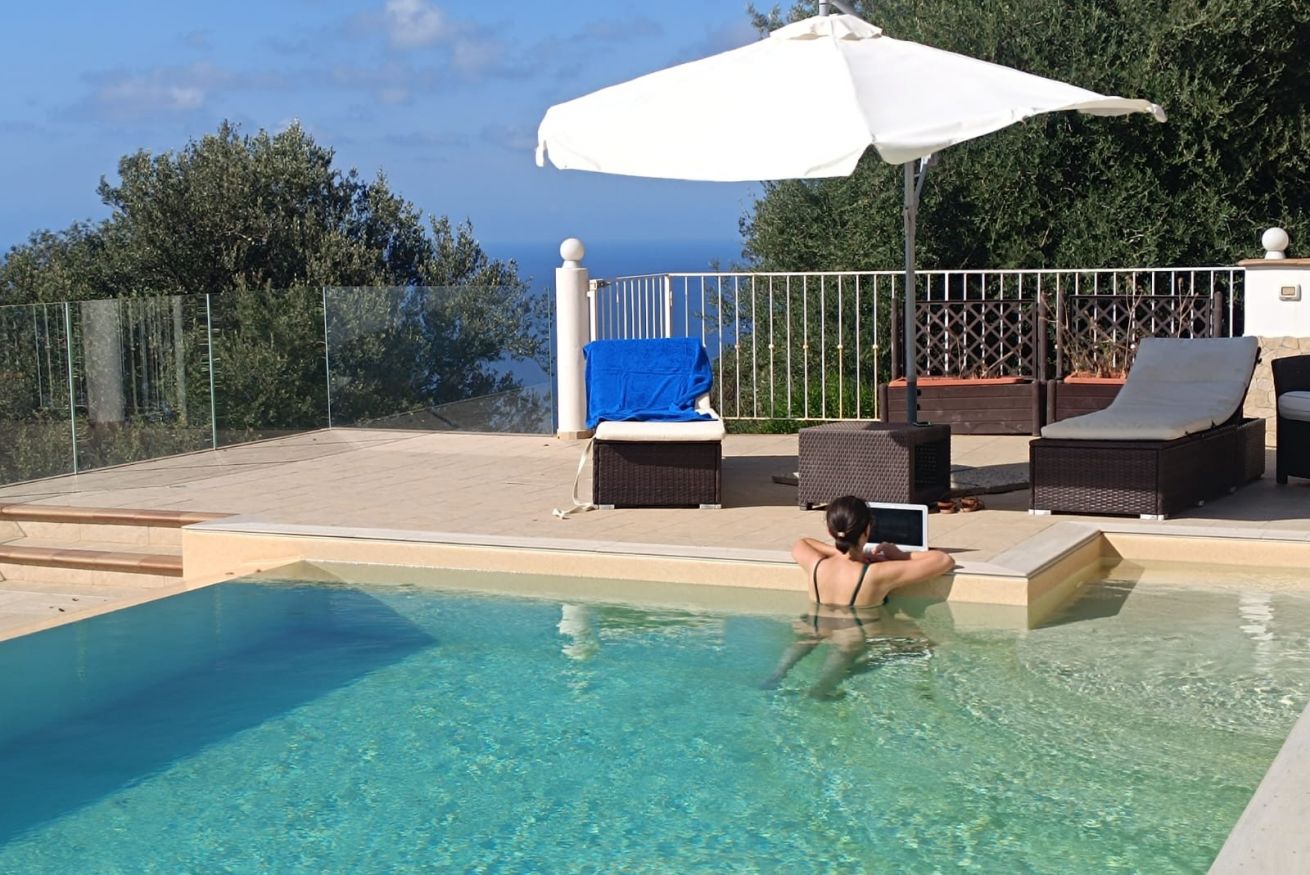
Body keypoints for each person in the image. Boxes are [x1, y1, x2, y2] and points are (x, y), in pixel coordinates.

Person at [764, 496, 954, 698]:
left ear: (830, 530)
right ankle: (821, 689)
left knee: (805, 640)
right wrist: (899, 555)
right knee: (921, 642)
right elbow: (943, 560)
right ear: (867, 530)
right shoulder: (875, 574)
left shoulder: (816, 564)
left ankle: (775, 677)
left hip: (816, 624)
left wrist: (838, 552)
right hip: (855, 632)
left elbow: (801, 543)